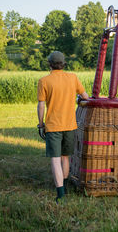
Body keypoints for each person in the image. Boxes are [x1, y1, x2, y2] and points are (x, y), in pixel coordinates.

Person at [37, 51, 89, 203]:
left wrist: (41, 124)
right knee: (65, 157)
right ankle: (64, 187)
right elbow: (85, 96)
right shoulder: (72, 78)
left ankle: (60, 194)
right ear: (64, 64)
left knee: (55, 159)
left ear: (49, 64)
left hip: (53, 126)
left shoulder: (44, 81)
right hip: (70, 124)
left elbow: (41, 105)